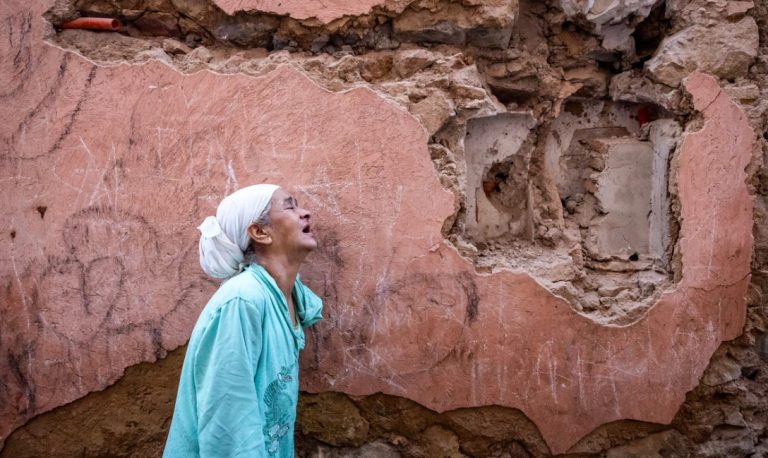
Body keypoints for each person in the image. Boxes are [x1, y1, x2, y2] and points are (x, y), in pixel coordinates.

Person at [163, 184, 323, 457]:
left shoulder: (286, 298)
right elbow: (228, 424)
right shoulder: (242, 301)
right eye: (290, 206)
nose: (305, 213)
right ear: (259, 232)